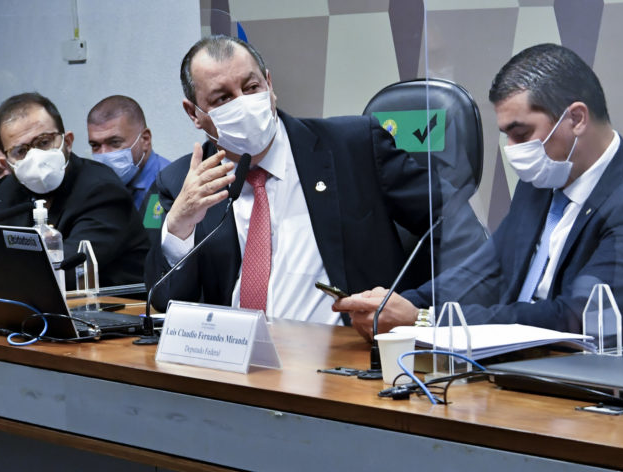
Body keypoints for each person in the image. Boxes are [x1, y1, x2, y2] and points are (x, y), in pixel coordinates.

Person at [335, 44, 623, 346]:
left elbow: (577, 319)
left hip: (596, 384)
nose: (512, 149)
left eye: (521, 134)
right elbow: (485, 272)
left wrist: (428, 320)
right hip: (519, 369)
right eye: (506, 135)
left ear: (576, 119)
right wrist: (394, 304)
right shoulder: (541, 183)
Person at [145, 35, 483, 324]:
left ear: (269, 84)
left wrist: (417, 308)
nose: (244, 104)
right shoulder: (182, 182)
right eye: (223, 98)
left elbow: (458, 227)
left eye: (251, 87)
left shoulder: (353, 146)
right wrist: (179, 226)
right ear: (194, 113)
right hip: (234, 365)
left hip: (348, 357)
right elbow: (165, 302)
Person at [0, 92, 150, 288]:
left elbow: (64, 270)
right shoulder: (6, 192)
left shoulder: (103, 190)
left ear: (67, 142)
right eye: (21, 151)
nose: (35, 156)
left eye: (44, 142)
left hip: (116, 303)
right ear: (7, 163)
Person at [87, 95, 170, 235]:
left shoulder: (172, 184)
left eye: (115, 142)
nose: (104, 154)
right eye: (95, 145)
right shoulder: (96, 187)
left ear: (145, 139)